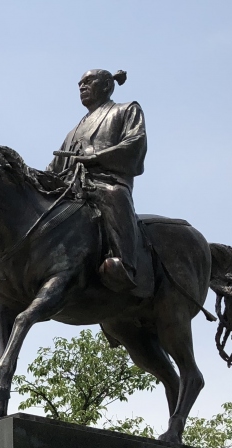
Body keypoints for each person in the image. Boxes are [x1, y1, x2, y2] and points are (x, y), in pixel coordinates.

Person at [48, 69, 149, 296]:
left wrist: (96, 158)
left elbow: (135, 142)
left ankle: (124, 263)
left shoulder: (126, 110)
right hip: (71, 187)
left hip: (106, 180)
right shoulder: (73, 132)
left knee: (115, 194)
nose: (82, 87)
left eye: (88, 81)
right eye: (79, 84)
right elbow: (54, 168)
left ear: (106, 86)